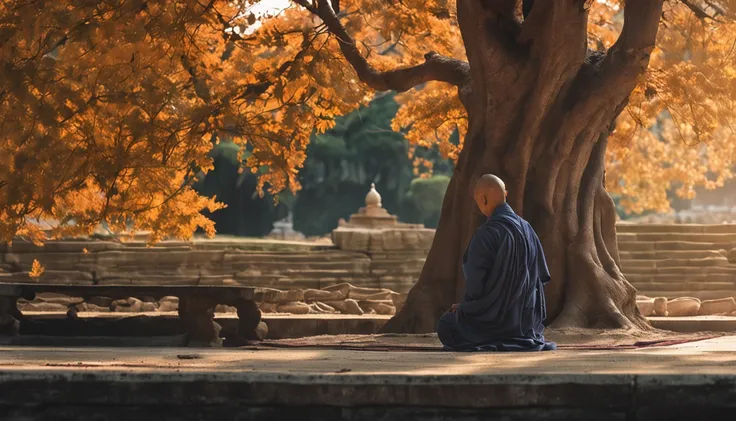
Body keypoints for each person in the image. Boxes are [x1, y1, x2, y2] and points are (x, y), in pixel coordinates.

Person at [436, 174, 557, 352]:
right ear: (505, 193)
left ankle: (495, 337)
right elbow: (541, 279)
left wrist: (464, 309)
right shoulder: (528, 229)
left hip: (494, 323)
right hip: (526, 325)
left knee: (446, 325)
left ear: (483, 199)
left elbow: (476, 288)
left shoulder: (487, 233)